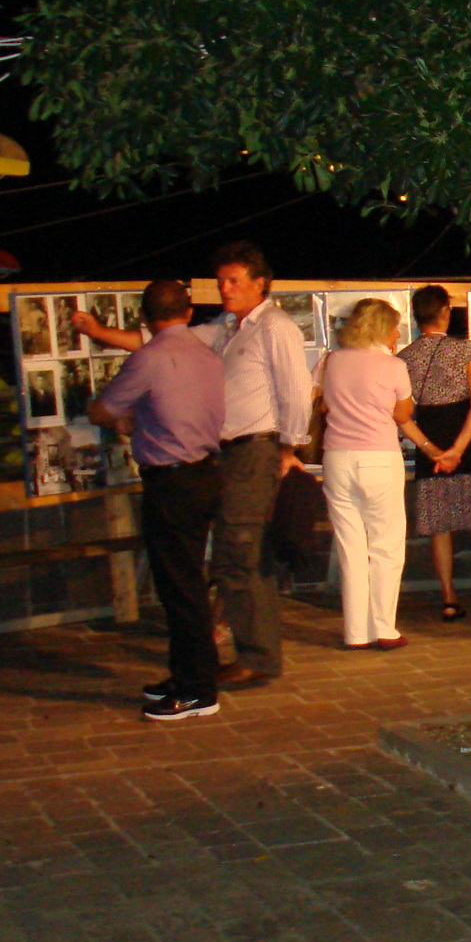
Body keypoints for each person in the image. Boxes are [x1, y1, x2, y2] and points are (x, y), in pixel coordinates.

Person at [75, 242, 312, 688]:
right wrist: (100, 332)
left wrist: (289, 448)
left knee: (242, 552)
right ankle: (248, 651)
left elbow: (297, 391)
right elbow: (162, 339)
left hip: (255, 448)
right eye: (221, 281)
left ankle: (258, 658)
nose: (225, 289)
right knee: (231, 554)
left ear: (260, 283)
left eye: (234, 281)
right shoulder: (225, 327)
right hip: (224, 454)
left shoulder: (275, 327)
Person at [87, 279, 227, 720]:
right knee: (187, 581)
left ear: (145, 318)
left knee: (179, 587)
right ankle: (187, 673)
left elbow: (103, 409)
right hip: (205, 472)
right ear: (188, 313)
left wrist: (125, 420)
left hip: (171, 480)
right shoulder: (208, 355)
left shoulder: (149, 358)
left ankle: (198, 690)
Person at [399, 286, 471, 620]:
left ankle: (449, 598)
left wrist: (438, 452)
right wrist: (459, 449)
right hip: (470, 441)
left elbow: (404, 412)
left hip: (431, 440)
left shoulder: (405, 357)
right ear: (444, 312)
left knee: (440, 525)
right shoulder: (464, 350)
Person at [312, 299, 421, 650]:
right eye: (394, 329)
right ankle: (384, 628)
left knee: (351, 548)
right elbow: (403, 412)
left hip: (337, 457)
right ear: (382, 329)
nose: (397, 335)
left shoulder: (330, 360)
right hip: (379, 456)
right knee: (386, 546)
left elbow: (317, 401)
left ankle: (355, 632)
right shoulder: (393, 366)